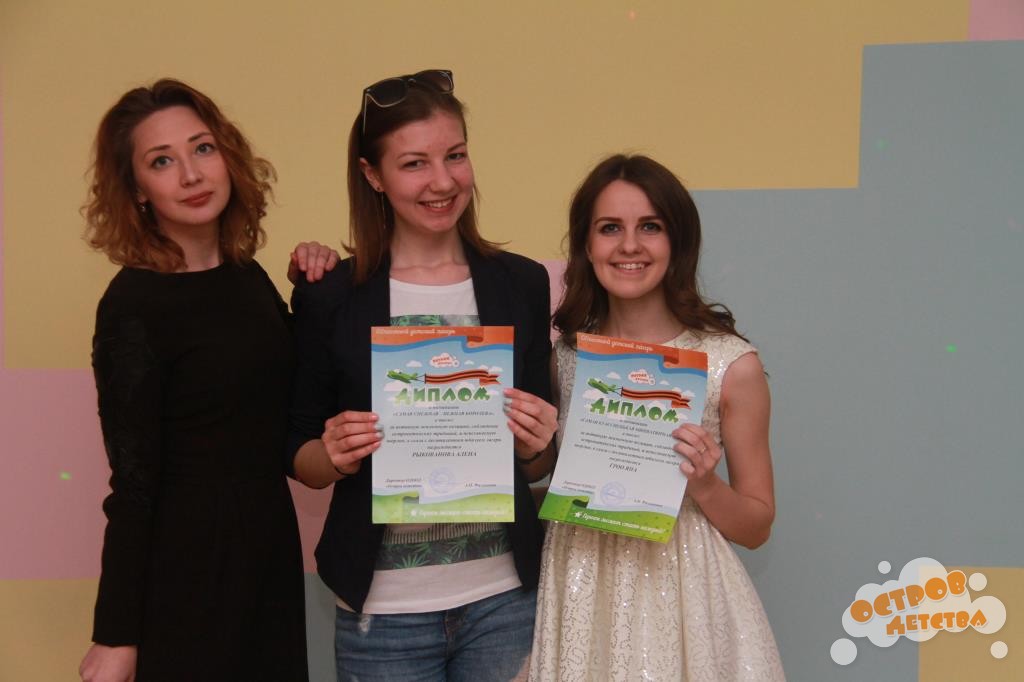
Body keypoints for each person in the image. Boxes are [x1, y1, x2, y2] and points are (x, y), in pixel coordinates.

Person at [287, 70, 558, 681]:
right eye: (414, 164)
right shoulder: (331, 295)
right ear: (372, 175)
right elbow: (299, 453)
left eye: (455, 155)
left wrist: (538, 445)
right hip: (382, 615)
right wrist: (333, 454)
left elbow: (538, 465)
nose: (443, 181)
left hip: (505, 601)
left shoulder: (521, 283)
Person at [78, 78, 336, 682]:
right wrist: (116, 635)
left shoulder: (248, 278)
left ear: (228, 157)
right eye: (161, 161)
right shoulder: (133, 305)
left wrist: (316, 287)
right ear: (136, 189)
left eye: (202, 148)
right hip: (186, 573)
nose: (191, 174)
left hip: (268, 555)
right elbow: (132, 483)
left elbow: (293, 398)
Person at [530, 155, 785, 681]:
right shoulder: (566, 358)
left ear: (678, 241)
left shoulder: (730, 365)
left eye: (650, 226)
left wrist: (705, 484)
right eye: (610, 228)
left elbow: (757, 526)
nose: (630, 245)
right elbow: (547, 477)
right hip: (578, 581)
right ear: (586, 246)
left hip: (683, 595)